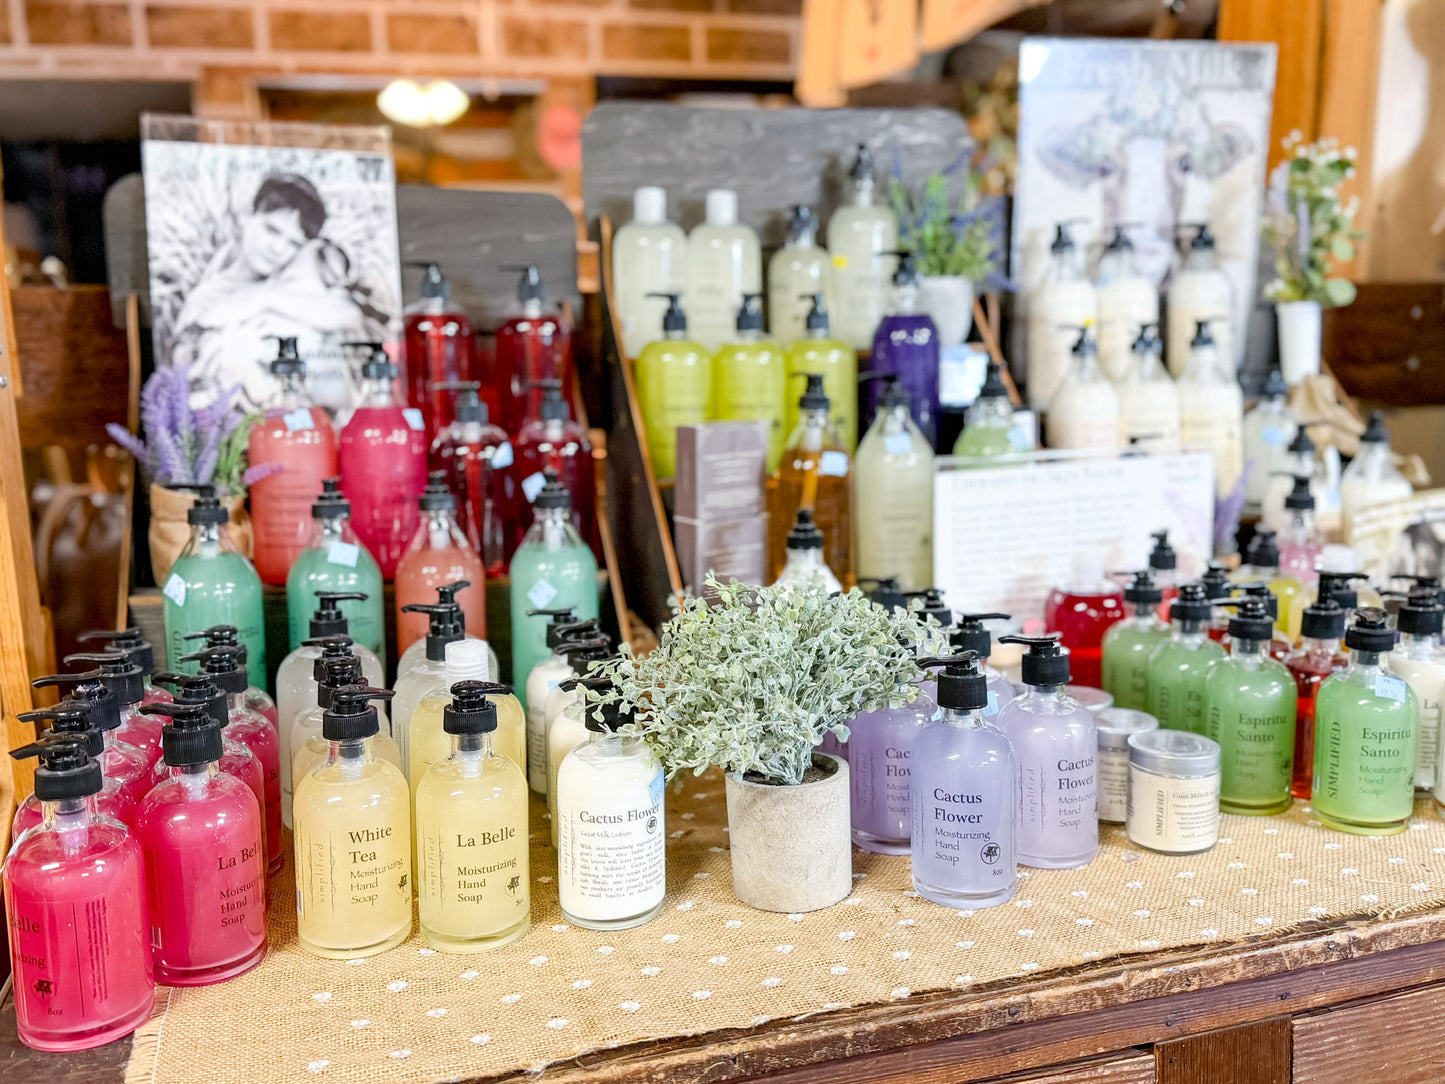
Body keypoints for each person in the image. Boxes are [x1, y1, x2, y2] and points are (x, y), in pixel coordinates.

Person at [169, 174, 383, 410]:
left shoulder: (295, 280)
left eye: (294, 243)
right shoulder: (205, 299)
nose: (278, 248)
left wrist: (264, 297)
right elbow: (184, 375)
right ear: (247, 216)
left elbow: (349, 315)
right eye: (272, 230)